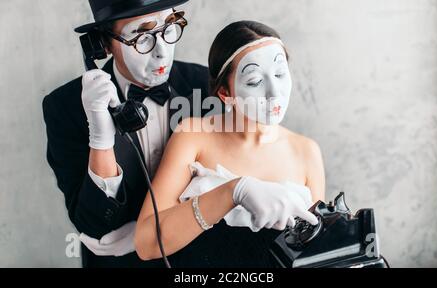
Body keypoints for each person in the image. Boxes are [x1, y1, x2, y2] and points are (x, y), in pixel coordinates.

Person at [42, 0, 208, 267]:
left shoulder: (205, 85)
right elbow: (93, 226)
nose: (162, 53)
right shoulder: (64, 107)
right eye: (142, 36)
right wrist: (101, 140)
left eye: (169, 28)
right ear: (103, 45)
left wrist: (150, 232)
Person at [134, 20, 326, 267]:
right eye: (255, 81)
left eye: (280, 74)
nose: (274, 92)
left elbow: (314, 254)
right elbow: (147, 243)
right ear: (225, 93)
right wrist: (233, 191)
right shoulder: (193, 136)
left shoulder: (306, 151)